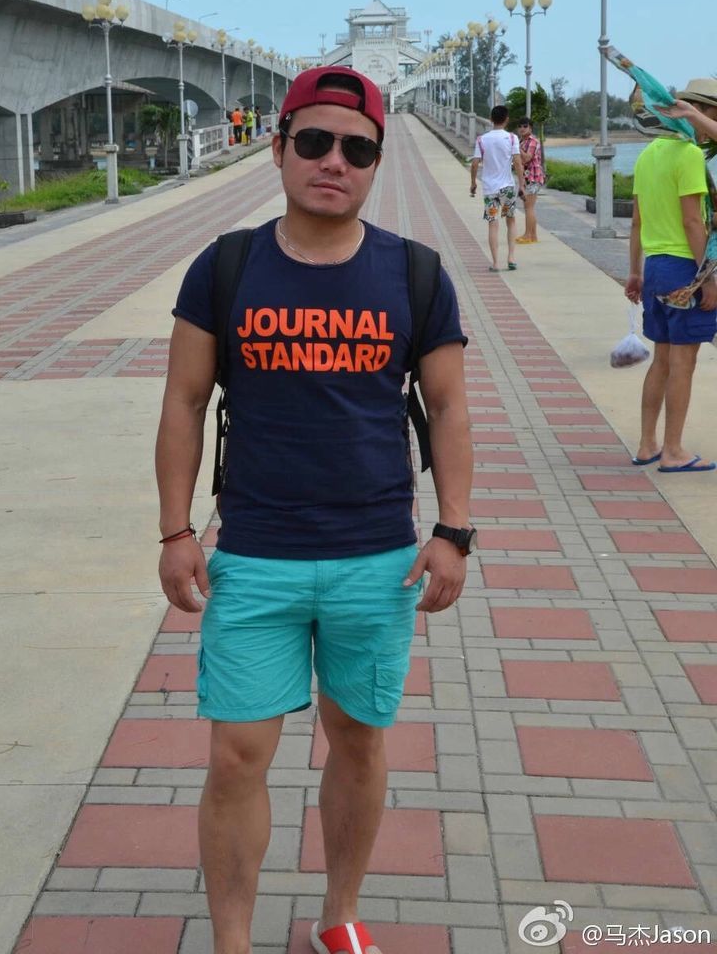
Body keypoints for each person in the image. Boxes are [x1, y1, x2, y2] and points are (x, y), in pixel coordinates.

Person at [155, 64, 473, 954]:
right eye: (315, 142)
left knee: (360, 746)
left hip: (377, 557)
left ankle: (339, 916)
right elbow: (182, 403)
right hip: (254, 554)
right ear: (279, 145)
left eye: (358, 148)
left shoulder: (414, 274)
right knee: (235, 758)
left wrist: (453, 530)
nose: (334, 161)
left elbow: (448, 406)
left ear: (376, 163)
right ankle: (231, 941)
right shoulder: (225, 267)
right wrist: (178, 530)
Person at [625, 77, 717, 473]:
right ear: (705, 112)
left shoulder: (649, 154)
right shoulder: (690, 156)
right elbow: (693, 221)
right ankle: (675, 451)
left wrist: (635, 272)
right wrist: (707, 276)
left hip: (657, 266)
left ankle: (648, 444)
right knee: (684, 362)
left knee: (661, 359)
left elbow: (636, 222)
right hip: (686, 268)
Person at [470, 105, 525, 272]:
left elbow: (474, 163)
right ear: (506, 119)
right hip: (507, 189)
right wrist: (521, 184)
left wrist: (473, 182)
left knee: (493, 224)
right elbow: (517, 162)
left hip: (490, 190)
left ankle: (495, 263)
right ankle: (511, 257)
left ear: (490, 119)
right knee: (510, 220)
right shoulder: (512, 139)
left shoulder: (482, 139)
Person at [515, 116, 545, 244]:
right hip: (527, 178)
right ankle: (533, 236)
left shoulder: (532, 141)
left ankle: (528, 235)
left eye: (525, 126)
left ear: (530, 128)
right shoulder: (522, 142)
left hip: (533, 177)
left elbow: (527, 158)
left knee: (529, 207)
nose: (522, 128)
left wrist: (517, 147)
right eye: (520, 126)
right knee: (529, 207)